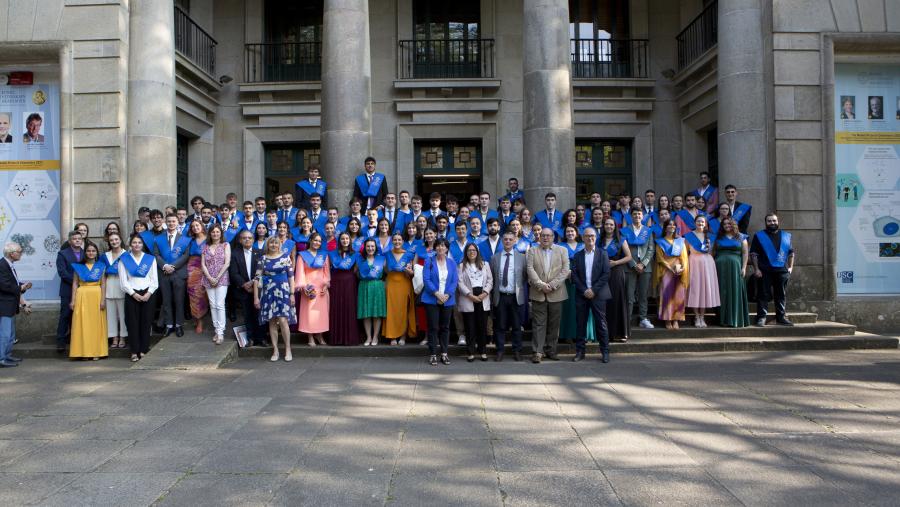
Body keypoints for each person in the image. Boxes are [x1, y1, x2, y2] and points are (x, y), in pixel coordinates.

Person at [525, 227, 570, 363]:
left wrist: (552, 285)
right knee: (538, 324)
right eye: (543, 235)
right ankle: (538, 352)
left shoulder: (562, 250)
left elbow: (565, 270)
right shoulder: (532, 250)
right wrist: (541, 285)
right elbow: (530, 269)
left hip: (557, 292)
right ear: (539, 237)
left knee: (554, 324)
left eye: (548, 235)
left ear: (553, 237)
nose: (545, 238)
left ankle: (551, 350)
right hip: (538, 292)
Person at [572, 227, 611, 363]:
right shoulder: (577, 256)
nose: (590, 238)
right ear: (583, 238)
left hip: (598, 294)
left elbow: (606, 274)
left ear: (596, 237)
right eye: (587, 236)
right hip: (581, 294)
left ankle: (605, 352)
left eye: (592, 236)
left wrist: (593, 290)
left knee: (601, 323)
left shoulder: (603, 253)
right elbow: (574, 276)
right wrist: (584, 290)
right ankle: (580, 352)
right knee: (580, 324)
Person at [255, 236, 297, 361]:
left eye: (276, 243)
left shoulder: (285, 257)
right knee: (272, 321)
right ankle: (275, 350)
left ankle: (288, 349)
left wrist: (292, 293)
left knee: (283, 320)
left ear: (279, 245)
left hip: (283, 292)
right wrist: (256, 297)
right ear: (267, 245)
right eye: (271, 243)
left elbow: (291, 277)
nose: (273, 245)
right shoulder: (263, 259)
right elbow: (257, 279)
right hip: (268, 292)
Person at [118, 234, 158, 362]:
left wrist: (148, 294)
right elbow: (123, 282)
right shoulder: (124, 259)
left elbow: (154, 280)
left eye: (139, 243)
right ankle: (134, 351)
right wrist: (134, 294)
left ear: (142, 244)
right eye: (134, 242)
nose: (137, 245)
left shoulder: (150, 259)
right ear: (130, 244)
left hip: (148, 294)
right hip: (132, 294)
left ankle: (143, 349)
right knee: (132, 323)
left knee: (146, 322)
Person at [751, 214, 794, 327]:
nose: (772, 223)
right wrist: (756, 269)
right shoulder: (759, 236)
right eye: (769, 221)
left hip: (782, 270)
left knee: (781, 295)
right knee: (763, 294)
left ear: (778, 221)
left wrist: (790, 267)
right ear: (766, 222)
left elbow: (791, 253)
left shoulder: (786, 236)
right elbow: (754, 254)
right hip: (764, 270)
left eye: (774, 221)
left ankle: (781, 317)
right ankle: (761, 317)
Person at [490, 232, 526, 361]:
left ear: (515, 241)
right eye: (505, 239)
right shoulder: (495, 258)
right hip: (500, 296)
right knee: (500, 326)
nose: (508, 241)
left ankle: (517, 351)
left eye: (510, 239)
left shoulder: (522, 258)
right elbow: (492, 278)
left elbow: (524, 276)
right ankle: (500, 350)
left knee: (516, 326)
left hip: (515, 296)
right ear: (502, 241)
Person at [422, 238, 458, 366]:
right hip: (432, 299)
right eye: (438, 245)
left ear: (447, 248)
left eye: (443, 246)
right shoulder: (429, 261)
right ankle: (433, 354)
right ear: (435, 248)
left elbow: (454, 281)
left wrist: (447, 295)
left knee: (445, 327)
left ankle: (444, 353)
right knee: (433, 327)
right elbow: (426, 279)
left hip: (447, 299)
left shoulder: (452, 263)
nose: (440, 248)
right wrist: (437, 293)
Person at [69, 242, 108, 360]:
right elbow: (75, 283)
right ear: (85, 253)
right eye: (88, 251)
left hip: (96, 296)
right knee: (82, 324)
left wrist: (103, 300)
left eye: (93, 251)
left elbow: (103, 284)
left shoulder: (101, 266)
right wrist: (73, 300)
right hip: (82, 296)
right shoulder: (79, 267)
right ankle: (84, 352)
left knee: (96, 325)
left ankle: (96, 352)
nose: (91, 253)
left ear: (97, 253)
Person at [154, 214, 190, 337]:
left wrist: (173, 266)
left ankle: (179, 325)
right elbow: (156, 255)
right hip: (164, 273)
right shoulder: (158, 238)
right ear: (165, 222)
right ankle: (169, 325)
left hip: (178, 274)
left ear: (177, 222)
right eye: (169, 221)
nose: (171, 223)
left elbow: (186, 255)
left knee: (179, 300)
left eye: (173, 221)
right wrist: (165, 266)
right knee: (166, 301)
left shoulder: (185, 239)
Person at [229, 231, 266, 347]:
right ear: (240, 240)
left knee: (259, 314)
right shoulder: (234, 254)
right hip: (243, 289)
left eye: (249, 238)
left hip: (258, 288)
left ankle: (261, 338)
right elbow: (233, 273)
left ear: (253, 240)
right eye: (244, 238)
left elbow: (263, 271)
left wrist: (253, 283)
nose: (247, 240)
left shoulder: (260, 253)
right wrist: (244, 285)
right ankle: (250, 338)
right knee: (247, 314)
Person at [458, 243, 493, 362]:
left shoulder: (485, 264)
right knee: (470, 327)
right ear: (466, 253)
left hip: (483, 297)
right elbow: (459, 283)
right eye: (469, 250)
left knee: (482, 327)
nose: (471, 252)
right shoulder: (461, 266)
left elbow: (490, 280)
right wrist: (470, 295)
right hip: (468, 297)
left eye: (474, 250)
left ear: (477, 252)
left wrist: (485, 293)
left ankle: (483, 351)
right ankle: (471, 352)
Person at [684, 215, 720, 328]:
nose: (700, 223)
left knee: (704, 289)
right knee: (695, 288)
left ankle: (702, 316)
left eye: (703, 222)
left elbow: (713, 251)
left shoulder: (710, 236)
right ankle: (696, 316)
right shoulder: (688, 236)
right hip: (693, 262)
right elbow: (685, 252)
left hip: (707, 263)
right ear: (695, 223)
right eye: (698, 221)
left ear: (706, 224)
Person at [600, 218, 632, 343]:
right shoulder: (600, 240)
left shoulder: (620, 239)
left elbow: (629, 257)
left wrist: (616, 263)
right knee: (605, 302)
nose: (609, 226)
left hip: (616, 272)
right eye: (607, 224)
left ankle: (621, 332)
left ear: (615, 226)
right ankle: (607, 333)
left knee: (617, 301)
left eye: (611, 224)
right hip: (602, 273)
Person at [713, 217, 750, 328]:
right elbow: (713, 253)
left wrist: (744, 267)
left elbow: (745, 253)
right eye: (724, 224)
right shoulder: (718, 237)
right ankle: (722, 319)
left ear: (733, 224)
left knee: (735, 291)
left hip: (736, 268)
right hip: (719, 269)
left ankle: (735, 319)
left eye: (729, 224)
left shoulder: (741, 237)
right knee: (722, 292)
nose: (727, 226)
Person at [622, 208, 654, 330]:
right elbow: (624, 249)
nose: (637, 216)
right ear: (631, 216)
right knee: (629, 296)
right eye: (634, 214)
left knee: (643, 295)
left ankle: (643, 318)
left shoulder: (648, 231)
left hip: (645, 267)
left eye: (639, 214)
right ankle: (627, 319)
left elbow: (651, 249)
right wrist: (634, 264)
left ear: (643, 216)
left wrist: (643, 264)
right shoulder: (625, 231)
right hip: (630, 267)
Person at [296, 232, 330, 346]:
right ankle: (310, 336)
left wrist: (326, 284)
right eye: (315, 240)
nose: (317, 243)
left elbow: (326, 273)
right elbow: (300, 272)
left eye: (319, 241)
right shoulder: (302, 255)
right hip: (309, 287)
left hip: (321, 288)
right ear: (310, 240)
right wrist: (303, 287)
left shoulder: (324, 255)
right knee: (309, 314)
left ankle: (320, 335)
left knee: (321, 313)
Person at [654, 219, 690, 330]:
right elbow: (660, 258)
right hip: (666, 270)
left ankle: (676, 319)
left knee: (678, 295)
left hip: (678, 270)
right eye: (669, 225)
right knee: (667, 294)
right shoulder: (660, 241)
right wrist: (670, 268)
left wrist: (682, 267)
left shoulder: (680, 241)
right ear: (665, 227)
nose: (672, 226)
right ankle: (667, 319)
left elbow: (684, 257)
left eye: (674, 225)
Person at [384, 233, 417, 346]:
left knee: (404, 310)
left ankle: (403, 336)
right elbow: (385, 271)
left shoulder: (408, 255)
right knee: (391, 310)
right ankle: (392, 336)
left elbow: (412, 273)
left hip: (404, 283)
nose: (397, 242)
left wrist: (409, 271)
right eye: (395, 240)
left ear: (403, 242)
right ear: (392, 241)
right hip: (391, 284)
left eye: (399, 240)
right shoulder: (387, 254)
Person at [0, 242, 30, 367]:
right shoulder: (2, 265)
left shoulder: (9, 264)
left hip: (10, 305)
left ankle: (7, 355)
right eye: (19, 252)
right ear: (11, 254)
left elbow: (12, 283)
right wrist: (20, 287)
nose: (21, 254)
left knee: (10, 334)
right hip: (4, 305)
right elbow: (4, 285)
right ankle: (1, 359)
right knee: (5, 334)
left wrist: (23, 286)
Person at [201, 224, 231, 344]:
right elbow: (203, 264)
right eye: (213, 232)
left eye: (217, 232)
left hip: (221, 278)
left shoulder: (225, 245)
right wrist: (209, 277)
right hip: (208, 278)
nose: (215, 234)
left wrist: (217, 277)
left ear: (221, 233)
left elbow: (227, 263)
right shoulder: (205, 246)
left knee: (220, 304)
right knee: (212, 305)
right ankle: (216, 330)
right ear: (210, 234)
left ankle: (221, 332)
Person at [329, 233, 360, 345]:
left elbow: (355, 270)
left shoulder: (355, 254)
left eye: (347, 238)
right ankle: (337, 338)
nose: (345, 240)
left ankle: (350, 338)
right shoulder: (332, 254)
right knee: (337, 307)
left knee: (349, 307)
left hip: (349, 282)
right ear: (339, 241)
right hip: (336, 282)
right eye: (342, 239)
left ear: (350, 240)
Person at [56, 231, 84, 353]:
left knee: (78, 316)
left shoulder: (86, 253)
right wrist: (76, 282)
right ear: (69, 241)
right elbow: (62, 272)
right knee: (65, 315)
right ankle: (61, 341)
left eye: (79, 238)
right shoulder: (62, 254)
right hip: (67, 290)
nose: (77, 240)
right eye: (74, 238)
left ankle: (75, 339)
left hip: (83, 290)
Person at [357, 238, 387, 346]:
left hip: (377, 286)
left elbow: (387, 272)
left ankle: (375, 337)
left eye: (372, 246)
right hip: (364, 286)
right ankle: (368, 337)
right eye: (368, 246)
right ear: (365, 247)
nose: (370, 248)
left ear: (376, 247)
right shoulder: (360, 260)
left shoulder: (381, 259)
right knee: (366, 313)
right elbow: (356, 272)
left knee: (376, 313)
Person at [558, 225, 583, 344]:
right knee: (567, 307)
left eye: (572, 231)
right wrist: (565, 272)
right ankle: (566, 334)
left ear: (576, 233)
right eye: (567, 231)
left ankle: (578, 334)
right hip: (565, 280)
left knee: (578, 308)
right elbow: (556, 262)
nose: (570, 233)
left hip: (580, 280)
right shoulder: (560, 246)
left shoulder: (582, 245)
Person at [103, 233, 128, 349]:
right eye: (112, 240)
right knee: (110, 314)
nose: (114, 242)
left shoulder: (127, 254)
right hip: (109, 284)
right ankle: (114, 337)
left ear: (120, 240)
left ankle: (123, 337)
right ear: (109, 242)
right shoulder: (105, 256)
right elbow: (102, 274)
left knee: (123, 314)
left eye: (116, 239)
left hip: (122, 285)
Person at [185, 220, 209, 334]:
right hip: (193, 269)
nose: (195, 227)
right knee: (194, 294)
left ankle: (203, 315)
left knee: (205, 295)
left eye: (197, 225)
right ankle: (198, 319)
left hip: (207, 268)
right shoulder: (190, 240)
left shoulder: (209, 239)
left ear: (202, 226)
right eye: (193, 226)